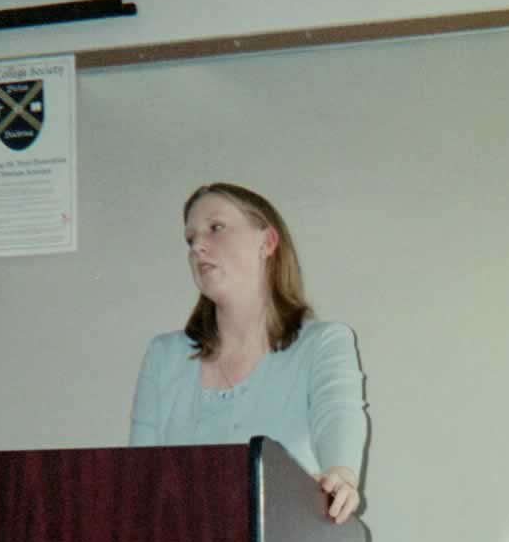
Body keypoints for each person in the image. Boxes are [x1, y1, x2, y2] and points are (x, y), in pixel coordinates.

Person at [129, 183, 367, 524]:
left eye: (216, 228)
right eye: (190, 238)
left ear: (267, 243)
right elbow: (136, 480)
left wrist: (341, 477)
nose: (198, 246)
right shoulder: (163, 356)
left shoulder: (324, 343)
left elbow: (338, 415)